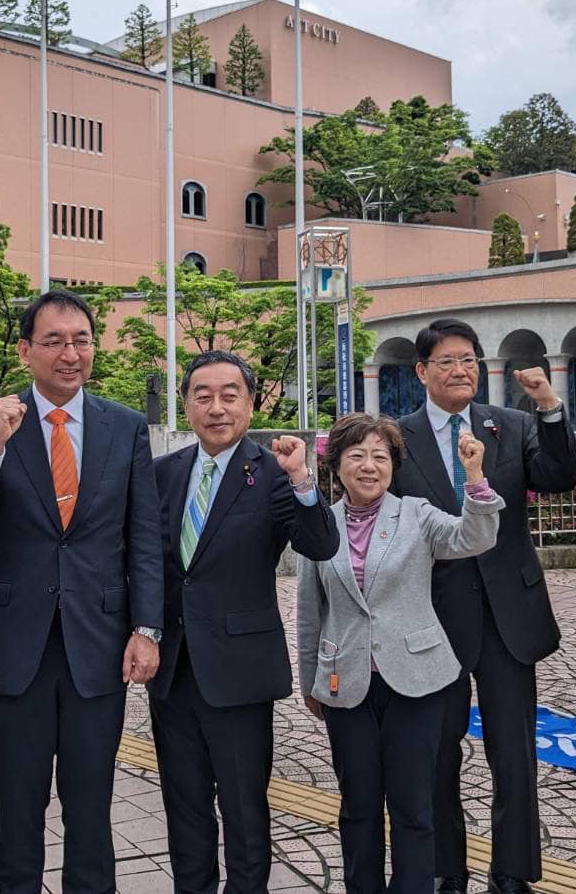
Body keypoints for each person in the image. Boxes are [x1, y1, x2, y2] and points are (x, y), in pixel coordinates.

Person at [0, 289, 164, 894]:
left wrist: (147, 628)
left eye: (82, 340)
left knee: (91, 803)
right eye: (54, 342)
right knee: (18, 803)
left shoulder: (124, 427)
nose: (70, 354)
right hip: (17, 645)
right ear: (25, 350)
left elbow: (143, 536)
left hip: (99, 643)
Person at [389, 319, 576, 894]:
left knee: (514, 753)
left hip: (507, 617)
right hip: (433, 617)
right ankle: (447, 868)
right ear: (421, 372)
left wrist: (549, 406)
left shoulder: (513, 425)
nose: (461, 370)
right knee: (438, 750)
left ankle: (514, 873)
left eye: (469, 359)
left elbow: (560, 477)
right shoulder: (398, 438)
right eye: (447, 361)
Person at [149, 350, 339, 894]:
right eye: (202, 396)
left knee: (243, 807)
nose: (216, 407)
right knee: (183, 805)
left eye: (229, 395)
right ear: (186, 404)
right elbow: (146, 561)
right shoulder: (164, 474)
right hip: (174, 668)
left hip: (239, 669)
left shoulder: (275, 475)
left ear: (251, 403)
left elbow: (320, 543)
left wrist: (304, 479)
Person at [299, 413, 504, 893]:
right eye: (357, 456)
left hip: (417, 681)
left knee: (414, 807)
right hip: (345, 682)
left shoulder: (416, 513)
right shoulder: (319, 525)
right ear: (337, 464)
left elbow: (473, 539)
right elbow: (311, 610)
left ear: (393, 465)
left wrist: (474, 478)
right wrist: (310, 678)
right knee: (358, 806)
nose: (369, 466)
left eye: (380, 456)